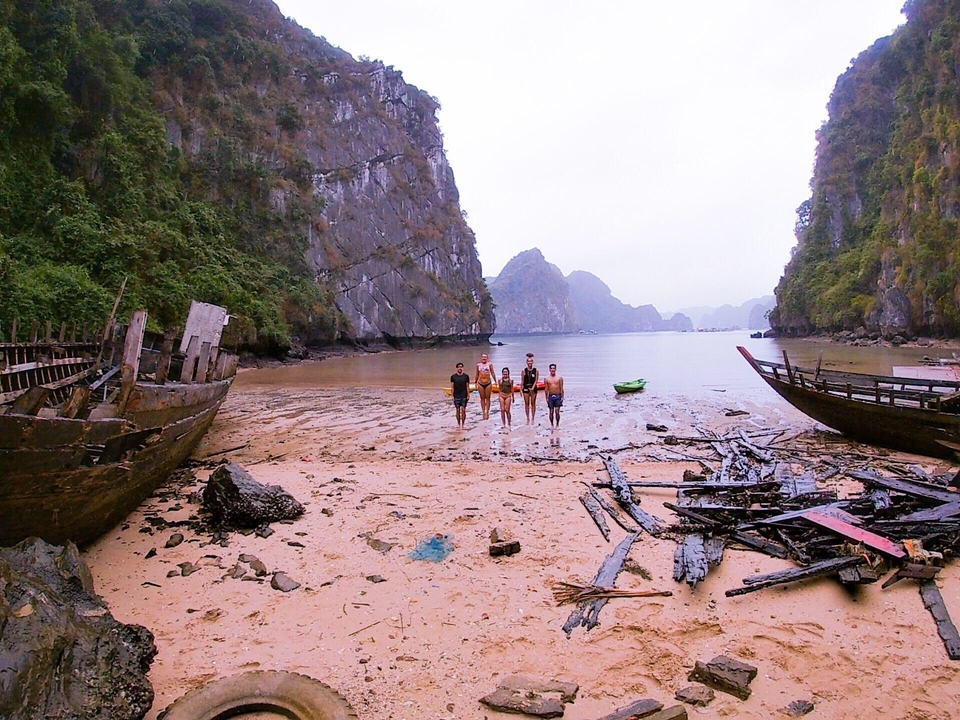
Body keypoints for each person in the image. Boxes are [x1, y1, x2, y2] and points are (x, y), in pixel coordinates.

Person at [475, 352, 495, 420]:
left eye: (485, 357)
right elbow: (477, 374)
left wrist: (495, 381)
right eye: (483, 357)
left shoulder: (490, 364)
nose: (484, 358)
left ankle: (487, 411)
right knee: (482, 398)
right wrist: (475, 382)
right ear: (481, 358)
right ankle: (483, 412)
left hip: (488, 383)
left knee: (488, 398)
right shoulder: (478, 365)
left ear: (487, 358)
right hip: (480, 383)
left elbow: (492, 373)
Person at [520, 352, 539, 425]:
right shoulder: (524, 370)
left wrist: (533, 388)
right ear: (526, 362)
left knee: (533, 403)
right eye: (528, 361)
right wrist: (520, 389)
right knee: (526, 404)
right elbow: (522, 381)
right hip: (526, 388)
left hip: (533, 388)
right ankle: (527, 418)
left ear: (533, 362)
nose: (530, 362)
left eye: (531, 361)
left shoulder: (536, 370)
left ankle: (533, 418)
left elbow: (536, 380)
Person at [543, 363, 564, 428]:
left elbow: (561, 387)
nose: (552, 370)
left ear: (555, 369)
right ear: (549, 369)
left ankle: (557, 424)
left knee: (557, 412)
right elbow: (546, 389)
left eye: (553, 368)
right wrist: (546, 397)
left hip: (558, 396)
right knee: (551, 412)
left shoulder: (559, 378)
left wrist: (562, 397)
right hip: (550, 396)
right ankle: (552, 424)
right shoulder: (546, 378)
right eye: (551, 368)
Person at [450, 362, 470, 428]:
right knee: (457, 410)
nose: (460, 368)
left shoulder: (466, 376)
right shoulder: (453, 377)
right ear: (457, 368)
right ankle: (458, 423)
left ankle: (463, 424)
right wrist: (452, 395)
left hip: (464, 395)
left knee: (463, 410)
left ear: (462, 368)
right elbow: (452, 387)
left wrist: (468, 395)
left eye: (461, 367)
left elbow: (467, 386)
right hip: (456, 395)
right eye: (458, 367)